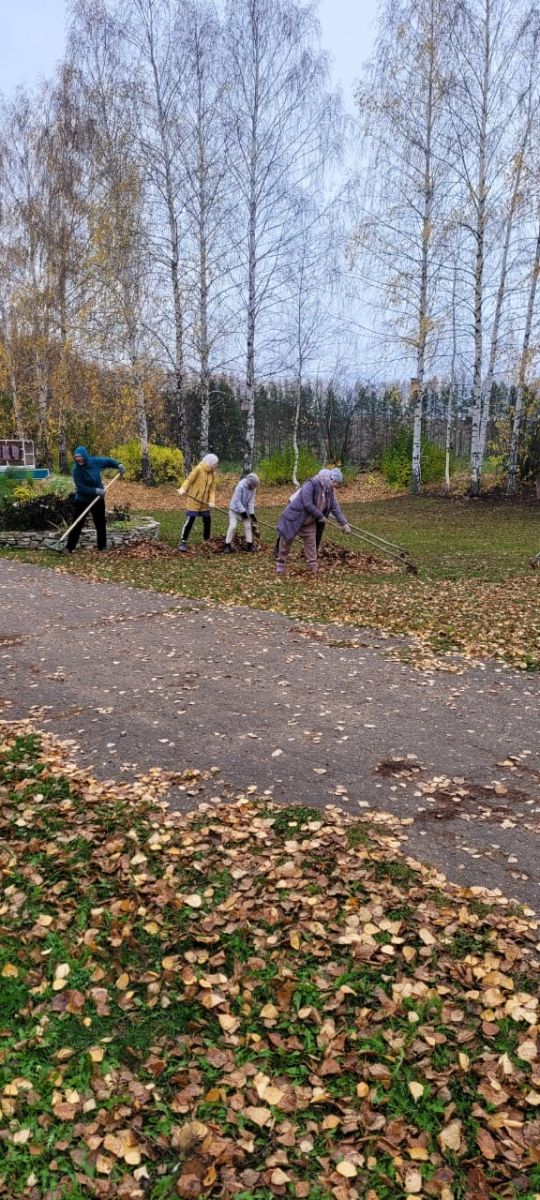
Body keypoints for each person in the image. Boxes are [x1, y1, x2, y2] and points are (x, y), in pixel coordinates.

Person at [275, 467, 351, 575]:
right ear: (331, 479)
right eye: (336, 483)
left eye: (337, 484)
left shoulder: (329, 491)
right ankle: (280, 563)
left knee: (311, 542)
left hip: (309, 520)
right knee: (287, 541)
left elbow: (335, 507)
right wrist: (320, 516)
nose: (336, 486)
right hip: (295, 517)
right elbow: (307, 504)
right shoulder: (311, 484)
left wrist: (344, 523)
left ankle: (312, 565)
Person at [66, 445, 125, 553]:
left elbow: (107, 461)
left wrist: (118, 464)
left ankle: (102, 546)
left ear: (85, 456)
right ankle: (69, 547)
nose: (79, 460)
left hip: (98, 499)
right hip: (82, 500)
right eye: (77, 458)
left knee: (100, 523)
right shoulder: (76, 470)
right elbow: (81, 488)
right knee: (77, 524)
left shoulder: (95, 462)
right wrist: (95, 491)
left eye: (80, 458)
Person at [177, 453, 219, 551]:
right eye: (215, 464)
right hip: (194, 501)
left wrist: (211, 501)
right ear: (210, 463)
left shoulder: (213, 474)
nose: (216, 466)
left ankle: (207, 541)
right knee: (190, 520)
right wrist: (183, 489)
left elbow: (212, 490)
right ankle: (183, 542)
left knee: (207, 521)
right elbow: (188, 480)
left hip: (204, 503)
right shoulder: (198, 469)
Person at [223, 473, 260, 553]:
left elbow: (251, 501)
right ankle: (227, 545)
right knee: (233, 526)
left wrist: (251, 514)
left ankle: (249, 545)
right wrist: (243, 512)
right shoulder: (240, 486)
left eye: (256, 486)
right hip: (234, 510)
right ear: (250, 483)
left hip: (245, 511)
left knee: (248, 526)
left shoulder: (253, 489)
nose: (255, 487)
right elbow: (237, 501)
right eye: (254, 485)